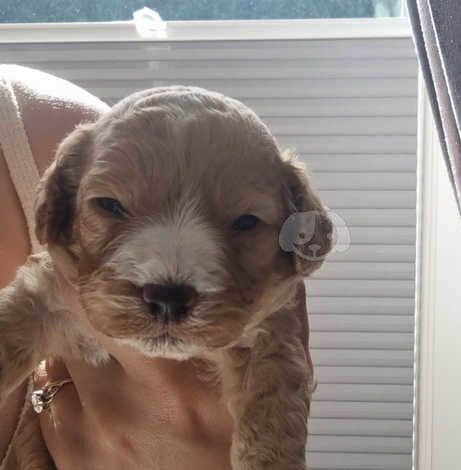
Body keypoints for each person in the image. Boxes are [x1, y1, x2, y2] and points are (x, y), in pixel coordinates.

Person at [0, 65, 311, 470]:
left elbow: (274, 392)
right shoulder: (53, 267)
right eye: (112, 207)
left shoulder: (31, 129)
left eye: (244, 223)